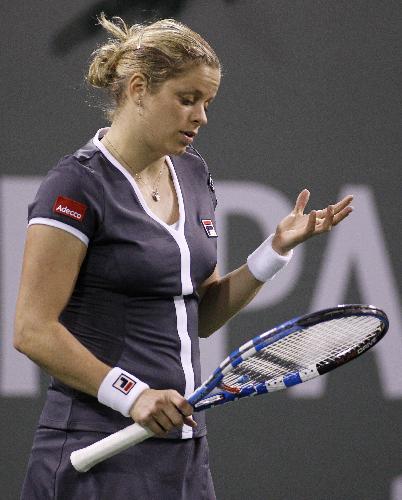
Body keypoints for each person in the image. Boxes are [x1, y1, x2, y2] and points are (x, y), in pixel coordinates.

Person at [14, 14, 353, 500]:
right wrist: (132, 394)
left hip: (183, 454)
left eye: (207, 102)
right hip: (97, 447)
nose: (201, 116)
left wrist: (274, 250)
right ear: (138, 89)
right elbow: (32, 330)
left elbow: (202, 313)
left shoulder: (193, 174)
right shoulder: (76, 186)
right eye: (187, 99)